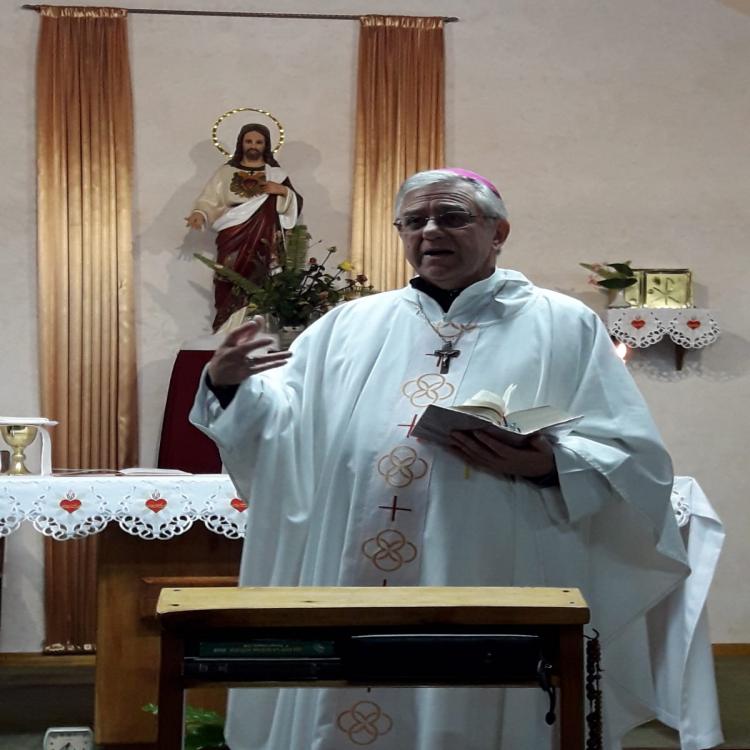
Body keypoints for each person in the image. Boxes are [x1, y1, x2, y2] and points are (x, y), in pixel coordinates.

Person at [191, 169, 693, 750]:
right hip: (353, 575)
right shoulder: (349, 324)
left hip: (493, 564)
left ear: (498, 231)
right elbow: (282, 428)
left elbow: (629, 452)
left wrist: (551, 466)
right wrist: (226, 385)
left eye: (452, 217)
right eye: (414, 220)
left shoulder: (561, 323)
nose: (431, 230)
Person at [186, 123, 303, 331]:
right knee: (228, 277)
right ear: (241, 143)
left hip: (265, 236)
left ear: (266, 145)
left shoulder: (276, 174)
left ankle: (258, 326)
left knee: (263, 277)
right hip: (233, 233)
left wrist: (283, 191)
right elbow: (210, 199)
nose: (253, 145)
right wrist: (199, 213)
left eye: (259, 142)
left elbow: (295, 203)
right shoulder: (226, 172)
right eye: (249, 141)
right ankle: (226, 328)